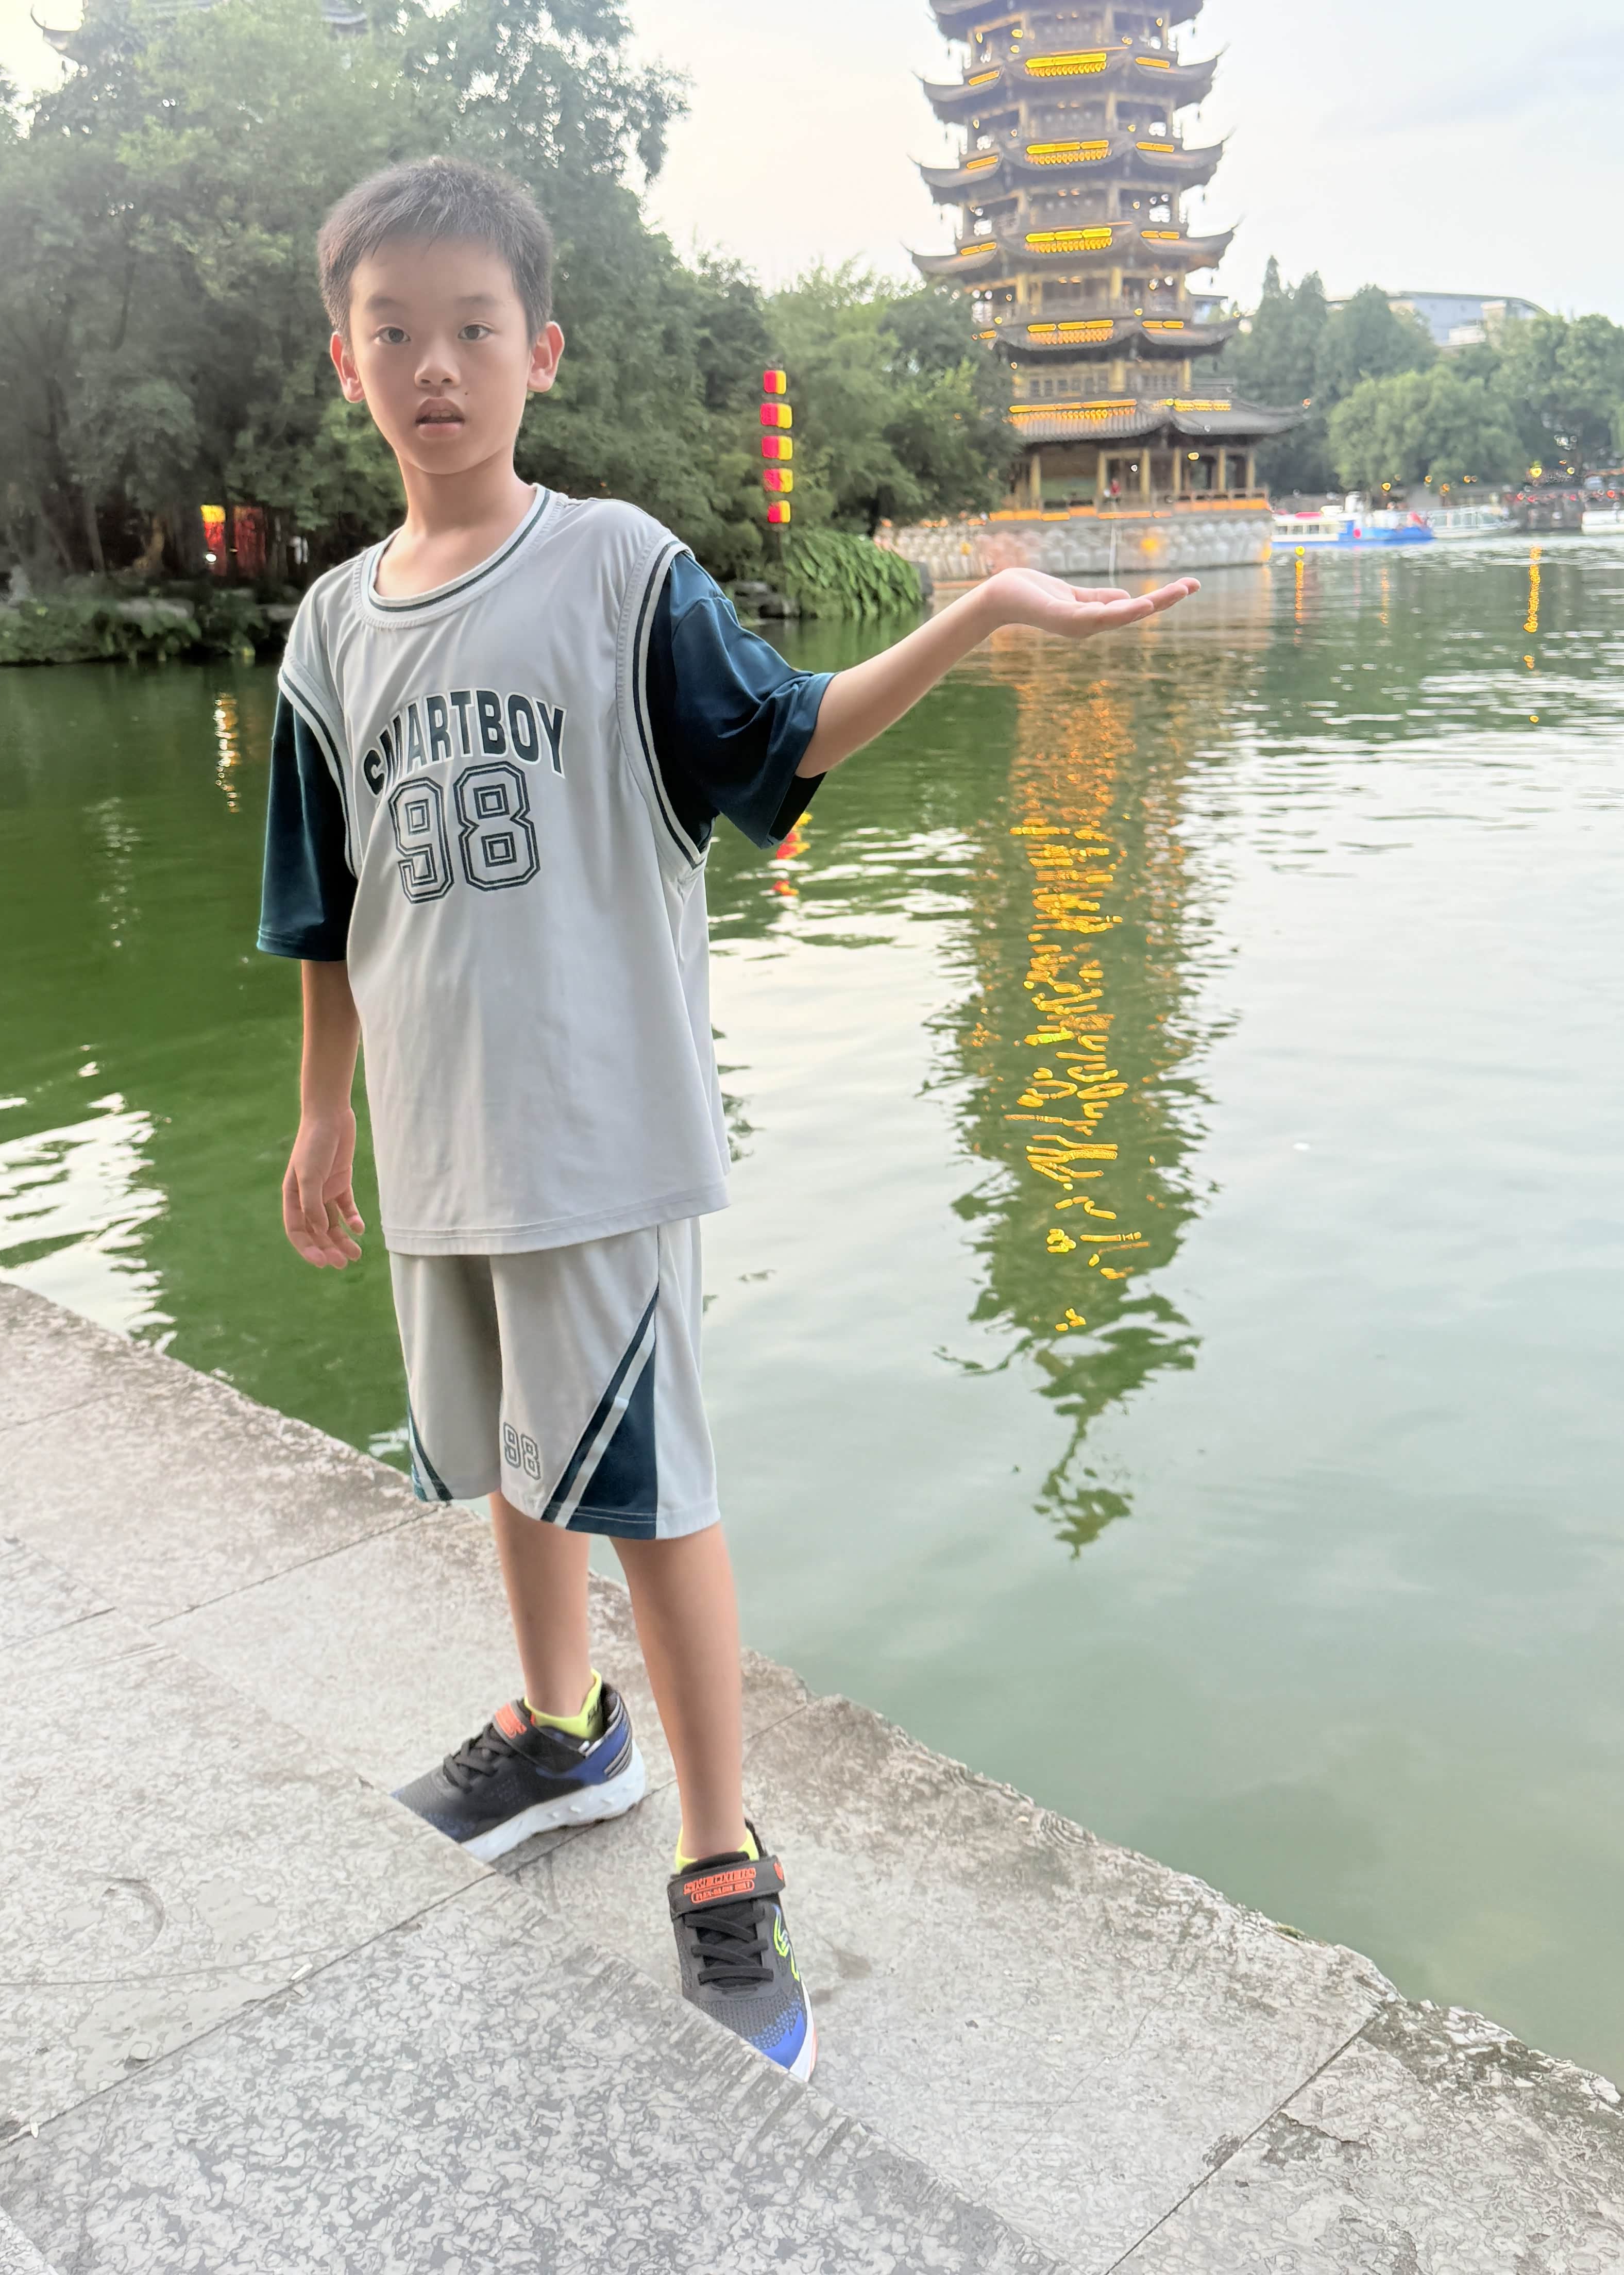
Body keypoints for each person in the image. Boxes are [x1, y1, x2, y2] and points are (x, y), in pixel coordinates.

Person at [260, 157, 1196, 2084]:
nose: (434, 366)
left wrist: (982, 613)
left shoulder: (617, 571)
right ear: (343, 361)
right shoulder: (330, 629)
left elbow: (784, 739)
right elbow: (325, 903)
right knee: (510, 1459)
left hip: (593, 1134)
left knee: (650, 1494)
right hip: (434, 1141)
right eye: (393, 331)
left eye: (471, 328)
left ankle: (716, 1855)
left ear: (540, 351)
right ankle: (560, 1732)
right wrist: (322, 1117)